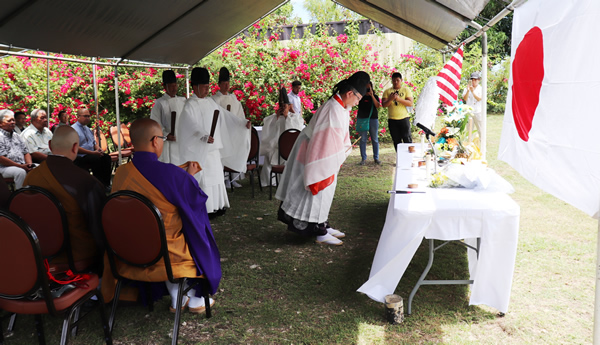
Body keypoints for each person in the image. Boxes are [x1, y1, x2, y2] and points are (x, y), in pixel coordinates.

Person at [101, 118, 221, 313]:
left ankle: (178, 294)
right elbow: (194, 204)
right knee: (194, 231)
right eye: (162, 138)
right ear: (155, 141)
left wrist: (183, 178)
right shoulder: (172, 174)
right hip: (166, 254)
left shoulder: (121, 173)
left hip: (128, 251)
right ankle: (191, 295)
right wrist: (188, 178)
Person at [276, 71, 370, 246]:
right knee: (317, 188)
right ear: (350, 93)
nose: (357, 103)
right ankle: (318, 230)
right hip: (315, 153)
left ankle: (323, 223)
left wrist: (339, 152)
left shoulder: (341, 107)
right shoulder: (333, 108)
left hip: (322, 151)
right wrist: (336, 156)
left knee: (326, 190)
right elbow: (325, 141)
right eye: (357, 98)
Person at [23, 126, 106, 271]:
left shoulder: (31, 177)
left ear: (49, 145)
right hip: (75, 255)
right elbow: (99, 227)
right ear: (75, 147)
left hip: (38, 251)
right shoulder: (86, 182)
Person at [176, 67, 251, 216]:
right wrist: (202, 135)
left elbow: (225, 116)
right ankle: (206, 207)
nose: (206, 90)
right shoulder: (190, 104)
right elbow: (189, 124)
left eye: (207, 86)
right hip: (199, 149)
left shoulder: (210, 102)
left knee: (216, 176)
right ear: (195, 87)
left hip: (214, 149)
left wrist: (242, 123)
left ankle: (217, 205)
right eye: (203, 87)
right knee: (205, 178)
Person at [259, 87, 304, 187]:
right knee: (270, 155)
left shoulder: (295, 118)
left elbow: (296, 129)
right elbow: (269, 129)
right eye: (282, 106)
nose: (283, 108)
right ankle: (271, 181)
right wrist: (277, 118)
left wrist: (287, 117)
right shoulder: (274, 118)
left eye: (285, 106)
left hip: (289, 148)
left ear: (289, 106)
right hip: (275, 146)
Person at [211, 66, 246, 188]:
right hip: (220, 133)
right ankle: (223, 179)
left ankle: (233, 178)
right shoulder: (214, 99)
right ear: (219, 84)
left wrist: (243, 123)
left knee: (232, 154)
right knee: (222, 155)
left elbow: (239, 115)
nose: (226, 86)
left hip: (232, 132)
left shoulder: (233, 98)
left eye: (228, 83)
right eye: (224, 83)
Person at [150, 70, 185, 164]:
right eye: (171, 85)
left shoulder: (182, 101)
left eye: (175, 85)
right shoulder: (159, 103)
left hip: (181, 141)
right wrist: (165, 135)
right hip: (167, 143)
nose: (174, 88)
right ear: (165, 86)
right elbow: (155, 124)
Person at [71, 107, 112, 188]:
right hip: (81, 156)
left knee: (106, 158)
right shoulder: (73, 129)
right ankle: (98, 184)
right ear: (78, 117)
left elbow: (93, 142)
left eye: (88, 116)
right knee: (96, 160)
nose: (87, 118)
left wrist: (98, 149)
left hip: (92, 153)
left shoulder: (87, 129)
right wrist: (93, 153)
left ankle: (106, 184)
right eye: (85, 116)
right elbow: (76, 148)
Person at [0, 109, 33, 189]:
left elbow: (26, 152)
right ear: (0, 124)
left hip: (20, 165)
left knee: (39, 168)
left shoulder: (17, 136)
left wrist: (29, 164)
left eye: (13, 120)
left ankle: (36, 194)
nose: (12, 122)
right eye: (9, 121)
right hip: (4, 167)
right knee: (20, 172)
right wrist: (20, 166)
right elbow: (1, 158)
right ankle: (21, 197)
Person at [382, 72, 414, 151]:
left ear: (401, 80)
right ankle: (400, 159)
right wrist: (391, 99)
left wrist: (399, 99)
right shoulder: (387, 91)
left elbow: (410, 103)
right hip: (392, 120)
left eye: (397, 80)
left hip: (404, 119)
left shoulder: (406, 90)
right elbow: (384, 105)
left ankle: (409, 158)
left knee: (407, 139)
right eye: (394, 80)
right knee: (396, 141)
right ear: (391, 81)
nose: (396, 82)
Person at [356, 81, 382, 165]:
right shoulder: (360, 97)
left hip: (373, 119)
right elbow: (357, 104)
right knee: (363, 139)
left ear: (372, 88)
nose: (367, 90)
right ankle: (363, 158)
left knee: (375, 139)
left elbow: (378, 106)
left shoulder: (375, 96)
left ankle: (376, 158)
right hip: (362, 120)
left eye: (369, 88)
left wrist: (372, 96)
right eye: (366, 88)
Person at [463, 72, 484, 143]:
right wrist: (468, 91)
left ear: (479, 80)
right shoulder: (467, 88)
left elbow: (479, 98)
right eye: (472, 80)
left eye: (475, 80)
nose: (474, 82)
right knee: (469, 130)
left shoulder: (481, 89)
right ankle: (468, 144)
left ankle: (482, 144)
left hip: (478, 112)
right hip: (469, 112)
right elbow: (465, 98)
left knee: (480, 129)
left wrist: (473, 92)